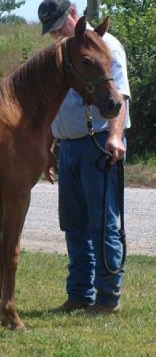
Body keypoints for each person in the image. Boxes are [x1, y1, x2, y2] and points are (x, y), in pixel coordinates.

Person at [38, 0, 131, 314]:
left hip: (99, 144)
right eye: (51, 32)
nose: (57, 35)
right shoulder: (65, 55)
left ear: (74, 14)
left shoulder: (106, 47)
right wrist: (49, 146)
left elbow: (121, 97)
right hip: (69, 147)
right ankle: (80, 294)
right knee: (74, 225)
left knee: (103, 224)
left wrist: (116, 136)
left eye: (59, 26)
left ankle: (107, 298)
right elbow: (56, 107)